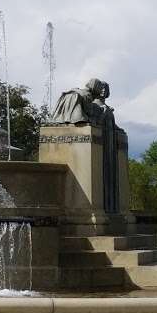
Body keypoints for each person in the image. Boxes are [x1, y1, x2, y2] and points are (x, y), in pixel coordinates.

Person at [50, 78, 123, 214]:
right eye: (100, 88)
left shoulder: (87, 98)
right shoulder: (86, 97)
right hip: (79, 119)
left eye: (105, 89)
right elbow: (92, 115)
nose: (102, 91)